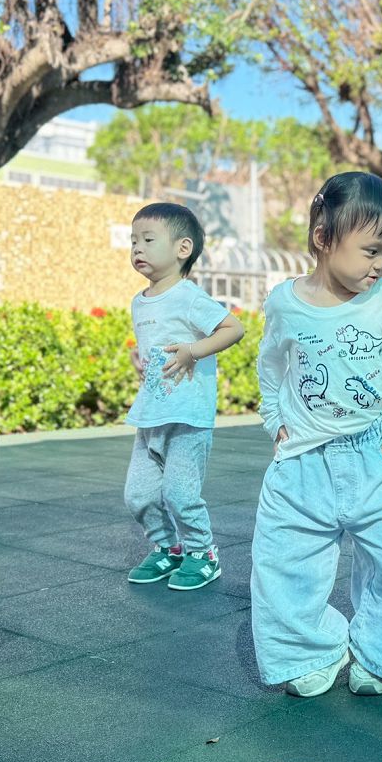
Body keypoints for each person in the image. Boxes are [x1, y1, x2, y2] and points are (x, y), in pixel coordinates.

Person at [250, 172, 382, 697]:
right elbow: (270, 364)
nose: (381, 265)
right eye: (371, 251)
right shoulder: (284, 302)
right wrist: (272, 418)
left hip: (376, 454)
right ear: (324, 237)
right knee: (284, 564)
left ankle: (379, 650)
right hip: (301, 460)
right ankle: (311, 650)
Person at [123, 203, 246, 591]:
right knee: (138, 496)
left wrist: (194, 351)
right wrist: (143, 362)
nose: (137, 248)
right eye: (133, 241)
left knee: (180, 494)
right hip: (152, 414)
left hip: (188, 417)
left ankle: (202, 553)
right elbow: (160, 347)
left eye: (148, 239)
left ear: (183, 248)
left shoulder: (188, 297)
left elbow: (233, 328)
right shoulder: (140, 301)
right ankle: (168, 548)